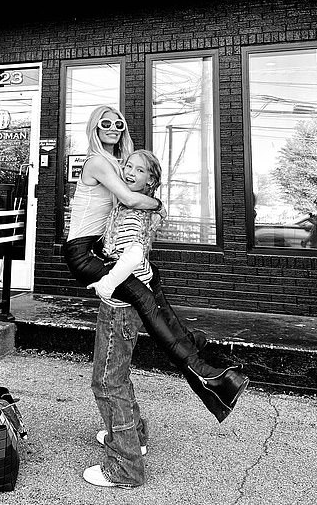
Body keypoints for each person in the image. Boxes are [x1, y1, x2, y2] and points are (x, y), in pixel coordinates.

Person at [63, 106, 249, 428]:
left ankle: (193, 347)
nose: (113, 127)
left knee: (154, 285)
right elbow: (132, 200)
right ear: (94, 128)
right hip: (83, 253)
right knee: (146, 300)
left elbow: (130, 200)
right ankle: (204, 370)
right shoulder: (97, 162)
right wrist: (158, 204)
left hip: (99, 251)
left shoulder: (118, 165)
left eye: (118, 123)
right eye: (105, 123)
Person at [82, 150, 160, 488]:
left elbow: (132, 255)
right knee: (118, 376)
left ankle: (125, 468)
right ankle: (136, 437)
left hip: (120, 304)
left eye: (139, 169)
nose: (129, 172)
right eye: (127, 165)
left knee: (107, 381)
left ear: (150, 181)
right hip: (130, 301)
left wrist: (106, 283)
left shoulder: (131, 210)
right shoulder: (136, 205)